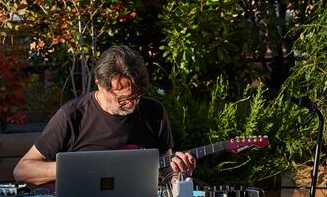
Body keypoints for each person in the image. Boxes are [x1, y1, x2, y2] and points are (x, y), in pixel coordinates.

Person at [13, 45, 195, 186]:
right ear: (100, 86)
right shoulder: (73, 115)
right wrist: (80, 168)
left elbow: (166, 174)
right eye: (122, 98)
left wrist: (180, 176)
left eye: (136, 96)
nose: (131, 103)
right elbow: (22, 170)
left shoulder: (154, 112)